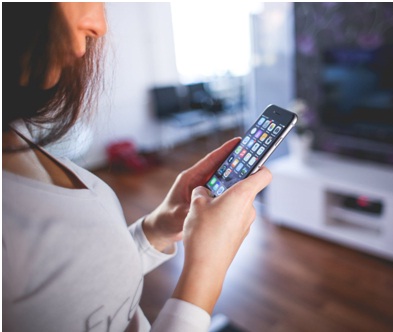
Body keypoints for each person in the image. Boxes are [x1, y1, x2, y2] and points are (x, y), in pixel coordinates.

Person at [2, 3, 272, 331]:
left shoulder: (16, 135)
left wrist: (157, 229)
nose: (99, 24)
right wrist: (208, 266)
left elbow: (83, 281)